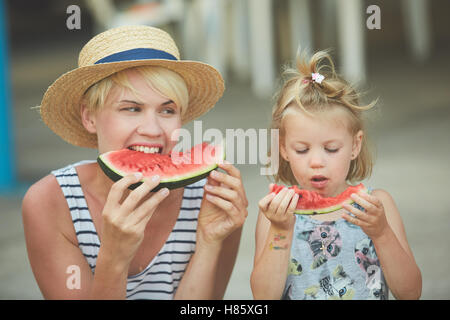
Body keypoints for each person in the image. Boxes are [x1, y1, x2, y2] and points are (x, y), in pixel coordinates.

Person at [22, 25, 248, 300]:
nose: (152, 129)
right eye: (131, 108)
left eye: (167, 110)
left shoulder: (212, 198)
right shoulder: (51, 203)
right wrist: (114, 258)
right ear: (89, 117)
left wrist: (210, 242)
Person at [250, 50, 422, 300]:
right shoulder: (275, 215)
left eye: (331, 149)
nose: (317, 161)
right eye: (302, 149)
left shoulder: (377, 206)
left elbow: (411, 292)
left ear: (355, 145)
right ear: (284, 149)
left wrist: (381, 232)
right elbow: (263, 298)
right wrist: (281, 231)